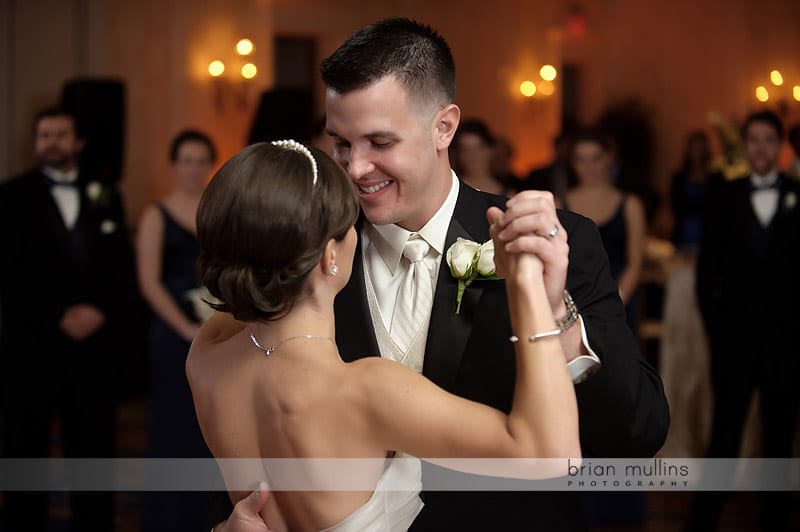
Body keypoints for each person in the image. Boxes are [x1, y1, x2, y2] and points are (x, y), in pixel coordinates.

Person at [210, 18, 668, 531]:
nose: (356, 168)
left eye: (379, 142)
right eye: (340, 143)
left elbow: (638, 432)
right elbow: (250, 432)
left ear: (443, 127)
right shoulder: (307, 253)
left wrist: (557, 314)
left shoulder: (555, 241)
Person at [188, 139, 582, 531]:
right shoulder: (367, 392)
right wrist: (527, 282)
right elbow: (550, 453)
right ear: (329, 256)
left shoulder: (206, 354)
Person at [0, 106, 137, 531]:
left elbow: (121, 268)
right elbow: (8, 273)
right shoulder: (11, 195)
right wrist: (55, 316)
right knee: (26, 450)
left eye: (60, 134)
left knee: (94, 449)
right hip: (33, 346)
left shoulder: (106, 194)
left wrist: (100, 311)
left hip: (94, 349)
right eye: (44, 135)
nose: (51, 143)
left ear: (77, 142)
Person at [691, 110, 800, 531]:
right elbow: (707, 274)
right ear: (745, 144)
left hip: (787, 342)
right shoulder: (725, 195)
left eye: (768, 140)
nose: (760, 147)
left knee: (779, 438)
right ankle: (703, 521)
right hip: (734, 340)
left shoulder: (796, 193)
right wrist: (717, 330)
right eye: (753, 139)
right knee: (725, 433)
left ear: (779, 145)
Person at [136, 129, 217, 531]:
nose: (193, 168)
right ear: (174, 165)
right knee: (174, 428)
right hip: (173, 337)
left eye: (201, 160)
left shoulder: (218, 213)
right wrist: (185, 328)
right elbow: (148, 283)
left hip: (217, 333)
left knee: (213, 428)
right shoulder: (157, 214)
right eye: (186, 160)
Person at [564, 130, 646, 335]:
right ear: (572, 164)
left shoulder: (630, 204)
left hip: (620, 305)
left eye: (596, 158)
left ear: (609, 159)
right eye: (581, 159)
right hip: (571, 305)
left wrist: (613, 304)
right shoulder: (558, 205)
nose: (589, 167)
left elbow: (635, 263)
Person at [668, 130, 717, 255]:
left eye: (700, 149)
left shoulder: (715, 178)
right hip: (683, 235)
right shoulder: (679, 178)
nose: (697, 153)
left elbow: (716, 208)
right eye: (694, 148)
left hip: (708, 235)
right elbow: (675, 206)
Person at [451, 118, 516, 196]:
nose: (473, 155)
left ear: (491, 150)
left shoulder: (507, 195)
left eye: (480, 147)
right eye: (466, 149)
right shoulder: (450, 191)